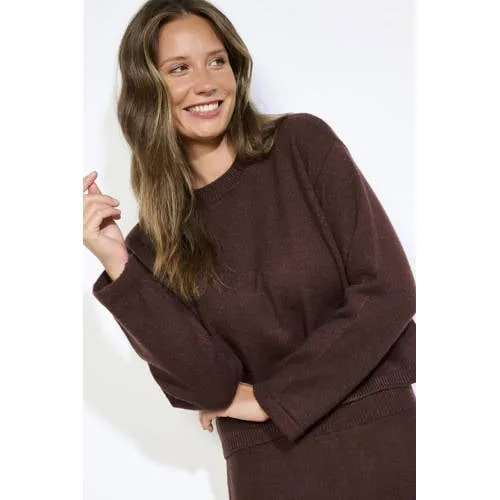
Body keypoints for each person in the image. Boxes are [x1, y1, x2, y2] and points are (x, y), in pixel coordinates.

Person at [83, 0, 416, 498]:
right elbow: (207, 386)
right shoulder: (149, 249)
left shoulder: (302, 145)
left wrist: (270, 398)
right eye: (179, 68)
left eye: (217, 60)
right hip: (266, 467)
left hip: (378, 439)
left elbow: (387, 291)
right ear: (146, 89)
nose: (205, 82)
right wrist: (118, 263)